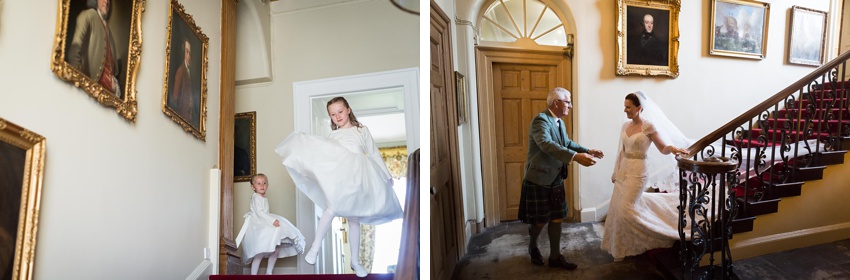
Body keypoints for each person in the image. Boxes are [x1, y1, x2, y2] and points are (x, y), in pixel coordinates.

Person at [274, 97, 403, 278]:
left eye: (340, 112)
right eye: (333, 115)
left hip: (360, 177)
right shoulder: (333, 136)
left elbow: (373, 153)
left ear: (348, 110)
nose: (337, 116)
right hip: (342, 178)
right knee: (332, 208)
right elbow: (324, 154)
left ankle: (355, 261)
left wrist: (387, 175)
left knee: (354, 218)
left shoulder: (361, 130)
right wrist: (305, 142)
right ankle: (315, 247)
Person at [517, 87, 604, 270]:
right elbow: (546, 144)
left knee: (557, 217)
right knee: (540, 221)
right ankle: (533, 245)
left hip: (556, 178)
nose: (570, 106)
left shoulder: (559, 122)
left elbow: (567, 143)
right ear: (556, 103)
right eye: (568, 102)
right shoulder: (540, 121)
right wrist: (574, 157)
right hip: (539, 179)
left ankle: (555, 257)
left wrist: (587, 151)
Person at [601, 91, 690, 262]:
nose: (625, 110)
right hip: (624, 171)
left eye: (628, 107)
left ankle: (656, 235)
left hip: (638, 172)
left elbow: (662, 148)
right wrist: (616, 171)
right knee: (618, 209)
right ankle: (622, 245)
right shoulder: (625, 126)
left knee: (626, 208)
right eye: (624, 107)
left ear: (639, 108)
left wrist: (673, 148)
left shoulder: (648, 127)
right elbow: (623, 150)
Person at [235, 173, 306, 275]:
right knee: (259, 253)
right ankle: (253, 275)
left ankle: (269, 272)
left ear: (267, 185)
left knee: (275, 250)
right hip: (258, 225)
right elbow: (260, 213)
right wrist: (272, 221)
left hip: (264, 222)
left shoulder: (263, 198)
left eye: (264, 183)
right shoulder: (256, 197)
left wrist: (271, 221)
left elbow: (265, 214)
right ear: (252, 187)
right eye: (258, 183)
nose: (262, 185)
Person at [68, 0, 122, 98]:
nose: (106, 2)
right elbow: (75, 50)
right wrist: (81, 81)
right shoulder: (88, 16)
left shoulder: (109, 33)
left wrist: (113, 87)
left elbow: (114, 70)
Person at [169, 38, 195, 125]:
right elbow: (175, 97)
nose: (189, 56)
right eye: (187, 52)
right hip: (183, 115)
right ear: (183, 53)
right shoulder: (180, 71)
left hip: (189, 117)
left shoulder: (188, 71)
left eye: (190, 53)